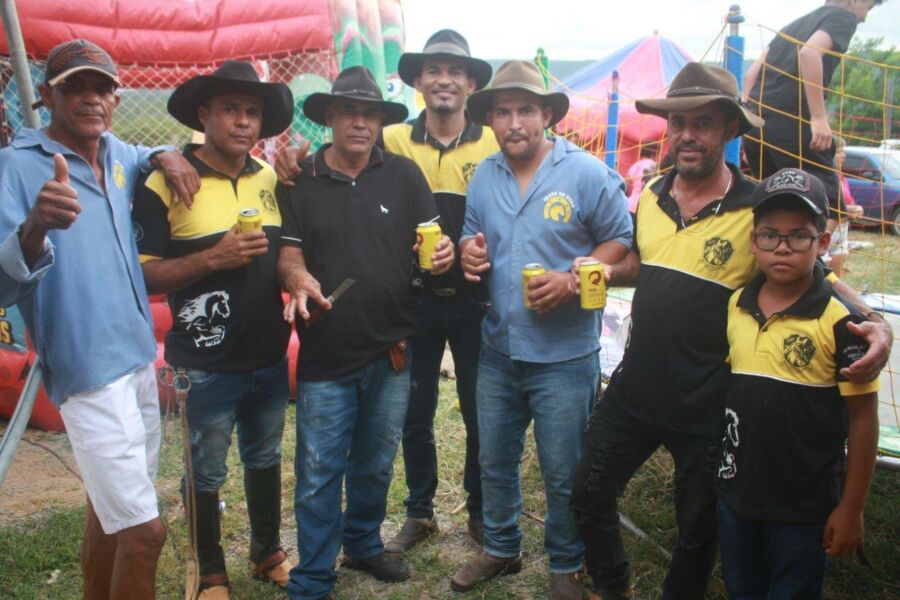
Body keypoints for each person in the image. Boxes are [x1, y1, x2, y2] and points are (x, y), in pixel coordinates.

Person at [569, 62, 891, 600]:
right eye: (678, 123)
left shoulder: (755, 207)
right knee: (587, 494)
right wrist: (604, 269)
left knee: (698, 531)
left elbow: (818, 274)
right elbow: (645, 263)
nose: (687, 135)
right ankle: (612, 585)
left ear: (730, 129)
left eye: (703, 123)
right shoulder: (653, 193)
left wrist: (875, 323)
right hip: (636, 388)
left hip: (709, 405)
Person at [0, 38, 199, 599]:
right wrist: (36, 225)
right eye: (75, 88)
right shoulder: (16, 167)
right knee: (145, 532)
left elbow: (144, 151)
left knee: (108, 513)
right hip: (87, 371)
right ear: (46, 96)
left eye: (101, 88)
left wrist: (166, 153)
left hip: (137, 356)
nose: (90, 98)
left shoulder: (116, 153)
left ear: (115, 99)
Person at [453, 60, 633, 600]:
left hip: (564, 356)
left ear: (547, 116)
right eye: (503, 111)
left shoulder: (586, 173)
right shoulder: (485, 175)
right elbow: (471, 236)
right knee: (494, 459)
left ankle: (566, 564)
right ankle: (501, 547)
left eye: (526, 110)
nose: (514, 123)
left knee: (561, 470)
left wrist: (573, 282)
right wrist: (467, 253)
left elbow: (620, 241)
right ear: (490, 119)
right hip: (498, 347)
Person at [276, 66, 454, 600]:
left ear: (380, 121)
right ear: (329, 117)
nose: (360, 123)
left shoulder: (404, 175)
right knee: (319, 470)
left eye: (370, 114)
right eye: (349, 112)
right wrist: (297, 277)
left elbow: (431, 243)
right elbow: (288, 252)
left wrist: (443, 256)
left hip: (390, 349)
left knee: (376, 463)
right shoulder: (300, 180)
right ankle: (313, 575)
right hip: (326, 351)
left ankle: (361, 542)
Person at [131, 60, 295, 599]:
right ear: (204, 114)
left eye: (252, 112)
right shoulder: (167, 181)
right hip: (204, 364)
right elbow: (143, 274)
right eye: (230, 109)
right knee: (205, 472)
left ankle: (267, 552)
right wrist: (212, 258)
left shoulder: (269, 178)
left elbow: (289, 251)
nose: (243, 121)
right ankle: (209, 570)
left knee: (265, 459)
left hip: (268, 354)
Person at [716, 168, 879, 598]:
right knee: (742, 588)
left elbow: (863, 420)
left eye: (799, 236)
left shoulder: (843, 322)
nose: (783, 247)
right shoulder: (736, 305)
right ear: (753, 241)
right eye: (770, 235)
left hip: (805, 507)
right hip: (736, 495)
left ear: (822, 242)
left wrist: (852, 508)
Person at [380, 28, 498, 554]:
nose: (444, 79)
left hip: (478, 300)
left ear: (471, 84)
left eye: (455, 71)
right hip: (414, 300)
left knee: (480, 411)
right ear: (418, 81)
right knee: (415, 410)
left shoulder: (494, 140)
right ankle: (420, 512)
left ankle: (479, 510)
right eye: (434, 70)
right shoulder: (391, 140)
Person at [742, 0, 884, 258]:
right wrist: (818, 117)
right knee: (834, 207)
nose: (864, 17)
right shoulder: (842, 17)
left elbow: (751, 73)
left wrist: (748, 116)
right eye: (869, 7)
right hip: (793, 121)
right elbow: (809, 53)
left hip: (757, 124)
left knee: (772, 200)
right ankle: (806, 268)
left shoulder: (793, 25)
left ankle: (768, 262)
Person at [828, 135, 865, 276]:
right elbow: (823, 204)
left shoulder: (841, 177)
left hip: (842, 230)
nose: (844, 155)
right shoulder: (823, 177)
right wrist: (845, 209)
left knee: (836, 278)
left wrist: (857, 209)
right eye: (839, 151)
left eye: (843, 151)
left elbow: (849, 202)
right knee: (822, 275)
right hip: (829, 229)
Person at [624, 144, 658, 215]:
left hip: (630, 205)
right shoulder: (654, 166)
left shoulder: (634, 166)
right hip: (645, 206)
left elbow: (626, 187)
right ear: (654, 153)